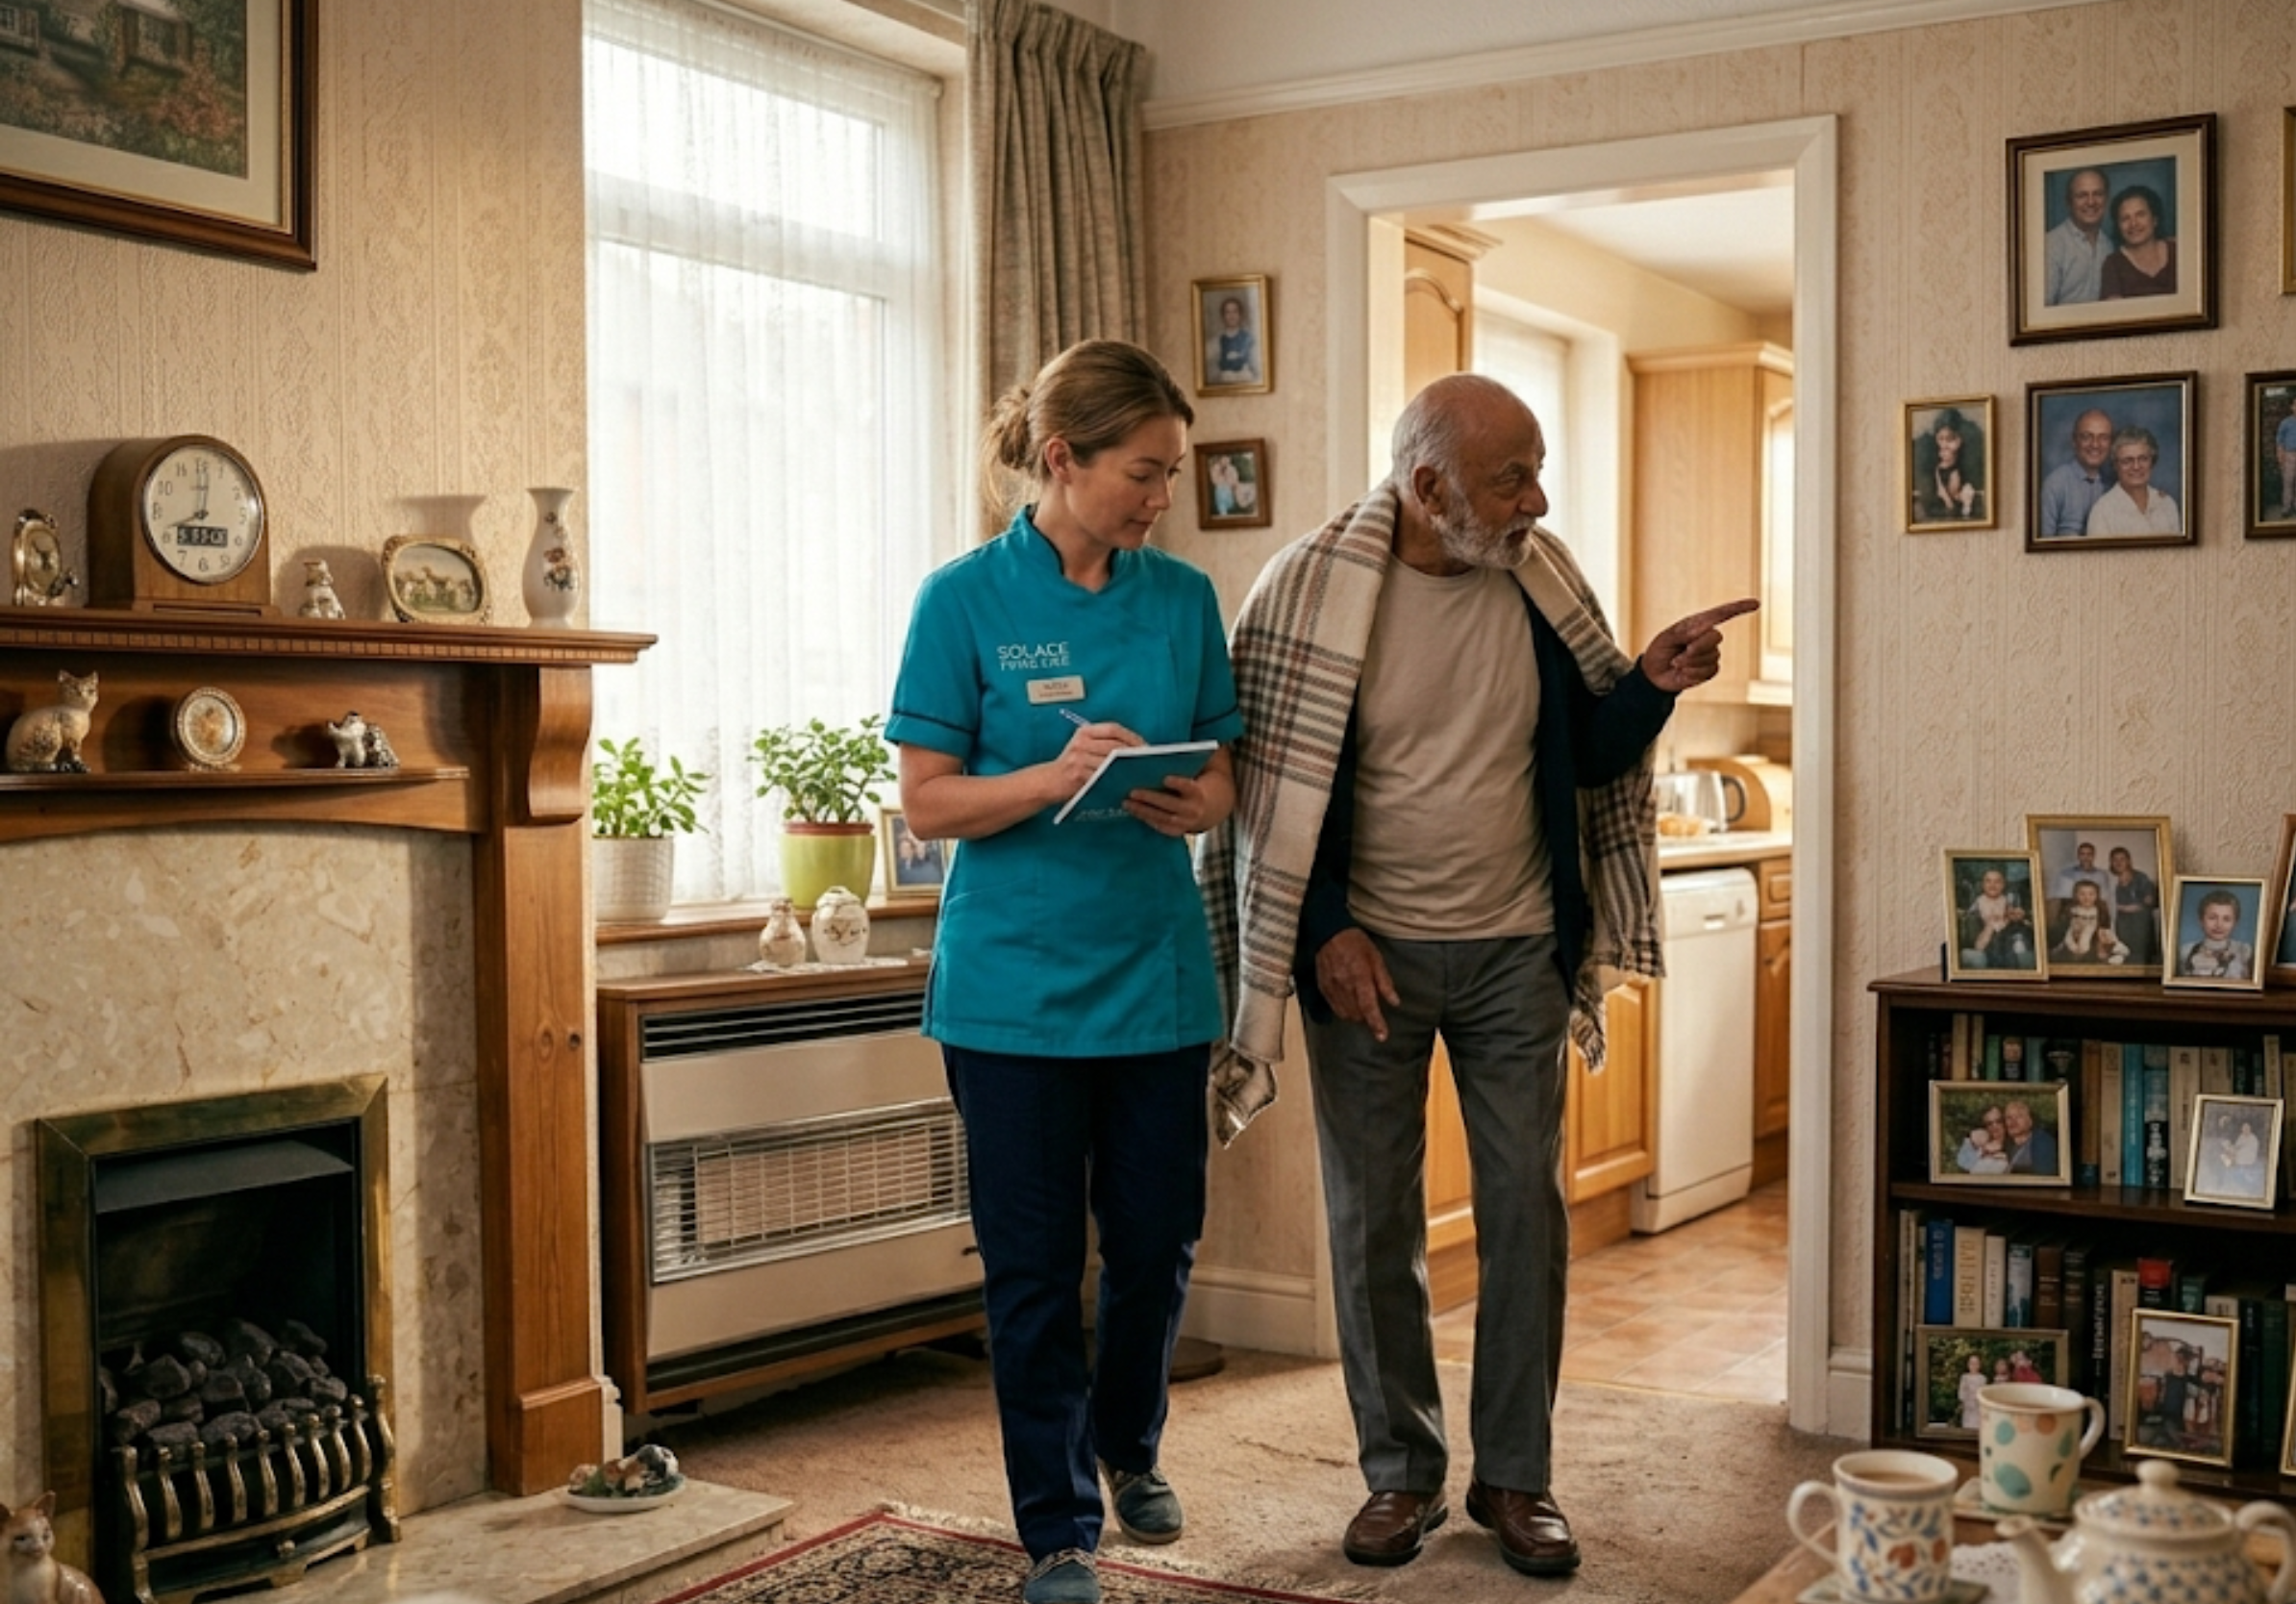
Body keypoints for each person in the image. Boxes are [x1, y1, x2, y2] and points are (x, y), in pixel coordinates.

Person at [1197, 372, 1754, 1578]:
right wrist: (1326, 930)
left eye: (1539, 469)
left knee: (1523, 1212)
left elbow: (1591, 756)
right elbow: (1272, 795)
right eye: (1512, 478)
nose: (1536, 500)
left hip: (1514, 951)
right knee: (1372, 1220)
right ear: (1428, 483)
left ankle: (1515, 1478)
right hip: (1366, 963)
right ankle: (1400, 1476)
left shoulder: (1540, 585)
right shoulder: (1304, 593)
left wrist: (1651, 683)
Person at [886, 338, 1243, 1604]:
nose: (1162, 497)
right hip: (1011, 994)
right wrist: (1053, 777)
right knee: (1035, 1268)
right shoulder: (962, 601)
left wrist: (1189, 797)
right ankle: (1056, 1530)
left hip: (1153, 977)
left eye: (1173, 475)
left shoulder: (1182, 599)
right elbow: (927, 802)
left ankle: (1130, 1448)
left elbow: (1222, 773)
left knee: (1155, 1247)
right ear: (1061, 460)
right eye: (1144, 472)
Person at [2085, 426, 2181, 539]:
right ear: (2116, 465)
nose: (2136, 467)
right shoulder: (2102, 512)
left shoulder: (2167, 504)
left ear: (2152, 461)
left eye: (2143, 459)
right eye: (2127, 461)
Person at [2036, 409, 2118, 539]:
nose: (2095, 444)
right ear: (2074, 441)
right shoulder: (2055, 484)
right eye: (2087, 437)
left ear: (2111, 444)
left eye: (2103, 438)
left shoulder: (2115, 484)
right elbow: (2040, 547)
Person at [2043, 166, 2114, 307]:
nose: (2091, 202)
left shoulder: (2109, 245)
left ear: (2106, 199)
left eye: (2098, 194)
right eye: (2082, 195)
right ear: (2069, 202)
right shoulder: (2051, 244)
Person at [2100, 184, 2176, 300]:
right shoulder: (2113, 264)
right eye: (2125, 218)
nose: (2133, 224)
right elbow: (2115, 313)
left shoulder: (2178, 251)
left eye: (2140, 215)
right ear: (2118, 226)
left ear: (2155, 219)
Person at [1912, 407, 1985, 521]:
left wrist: (1966, 505)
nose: (1944, 445)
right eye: (1940, 439)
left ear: (1961, 439)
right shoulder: (1932, 467)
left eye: (1950, 440)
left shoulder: (1970, 465)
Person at [1959, 866, 2035, 970]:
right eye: (1988, 881)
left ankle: (2018, 945)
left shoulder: (2005, 899)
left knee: (2019, 930)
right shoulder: (1980, 901)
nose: (1992, 885)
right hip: (1989, 932)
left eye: (1997, 882)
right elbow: (1969, 916)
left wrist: (2016, 915)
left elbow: (2011, 915)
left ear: (2003, 885)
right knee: (1995, 944)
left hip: (2006, 930)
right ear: (1983, 885)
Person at [2179, 888, 2253, 981]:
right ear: (2201, 920)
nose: (2219, 925)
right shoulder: (2186, 951)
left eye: (2226, 919)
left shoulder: (2245, 952)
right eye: (2212, 918)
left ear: (2235, 923)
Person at [2050, 878, 2126, 965]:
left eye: (2091, 894)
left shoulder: (2100, 911)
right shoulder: (2070, 911)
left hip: (2094, 942)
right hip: (2071, 940)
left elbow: (2105, 928)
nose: (2087, 898)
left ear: (2097, 895)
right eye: (2082, 894)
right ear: (2076, 895)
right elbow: (2065, 931)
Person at [2109, 846, 2161, 966]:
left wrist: (2126, 908)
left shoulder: (2141, 878)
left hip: (2139, 924)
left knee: (2140, 958)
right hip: (2120, 924)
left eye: (2122, 859)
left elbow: (2150, 901)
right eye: (2115, 859)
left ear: (2128, 861)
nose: (2119, 863)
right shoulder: (2110, 879)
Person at [1210, 295, 1260, 386]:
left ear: (1240, 315)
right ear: (1223, 316)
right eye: (1228, 312)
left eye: (1235, 311)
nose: (1231, 316)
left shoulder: (1248, 338)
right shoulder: (1218, 341)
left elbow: (1256, 368)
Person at [2003, 1098, 2058, 1176]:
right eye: (2009, 1118)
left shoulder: (2042, 1142)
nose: (2013, 1121)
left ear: (2030, 1121)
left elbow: (2044, 1177)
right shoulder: (2007, 1143)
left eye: (2019, 1116)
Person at [1957, 1106, 2011, 1174]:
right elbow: (1962, 1164)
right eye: (1990, 1124)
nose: (1995, 1126)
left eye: (1999, 1121)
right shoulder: (1977, 1144)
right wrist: (1982, 1151)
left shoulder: (2014, 1142)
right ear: (1985, 1127)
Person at [2275, 392, 2296, 520]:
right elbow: (2279, 440)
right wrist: (2280, 455)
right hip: (2289, 455)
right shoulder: (2286, 423)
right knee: (2288, 481)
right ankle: (2286, 508)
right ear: (2292, 407)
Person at [1958, 1353, 1986, 1429]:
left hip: (1978, 1407)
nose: (1973, 1365)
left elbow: (1983, 1392)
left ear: (1979, 1365)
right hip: (1968, 1407)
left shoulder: (1982, 1378)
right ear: (1968, 1365)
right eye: (1971, 1363)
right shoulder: (1964, 1377)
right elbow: (1961, 1390)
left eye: (1976, 1363)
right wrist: (1963, 1400)